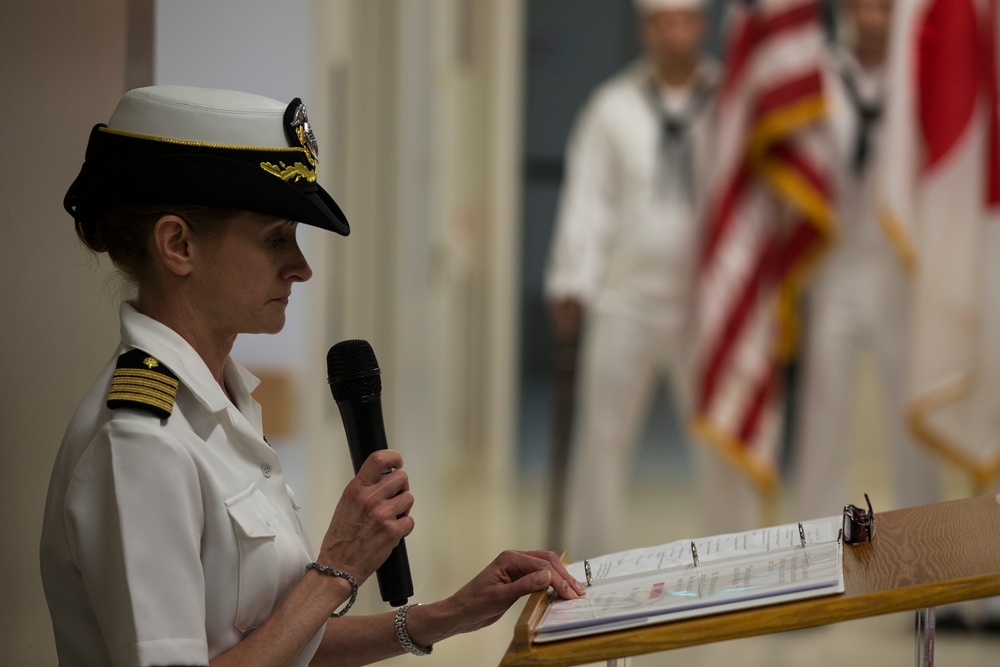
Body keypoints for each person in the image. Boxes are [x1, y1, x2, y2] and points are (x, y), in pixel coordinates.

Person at [39, 85, 585, 667]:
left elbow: (270, 642)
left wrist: (447, 615)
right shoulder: (139, 442)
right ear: (177, 244)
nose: (301, 267)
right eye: (276, 238)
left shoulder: (222, 402)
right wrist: (337, 571)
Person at [545, 0, 759, 561]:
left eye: (685, 20)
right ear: (645, 28)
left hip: (708, 305)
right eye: (662, 21)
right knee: (603, 441)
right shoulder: (612, 107)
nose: (674, 32)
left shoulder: (731, 102)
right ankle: (589, 567)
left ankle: (735, 565)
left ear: (703, 26)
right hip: (626, 301)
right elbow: (588, 200)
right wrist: (572, 278)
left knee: (721, 441)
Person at [792, 0, 940, 522]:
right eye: (862, 6)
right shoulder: (819, 78)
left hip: (898, 265)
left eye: (883, 7)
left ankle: (930, 555)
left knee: (911, 412)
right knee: (823, 416)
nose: (873, 18)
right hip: (835, 262)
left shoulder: (918, 73)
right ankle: (812, 553)